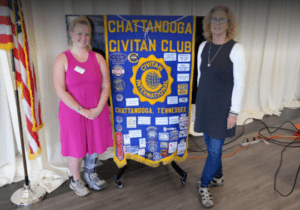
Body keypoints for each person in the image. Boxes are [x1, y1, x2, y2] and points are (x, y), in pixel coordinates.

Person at [53, 16, 113, 196]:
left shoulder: (98, 57)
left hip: (96, 110)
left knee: (94, 144)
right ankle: (76, 181)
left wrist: (98, 109)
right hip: (73, 112)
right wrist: (82, 110)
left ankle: (91, 174)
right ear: (72, 34)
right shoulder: (62, 59)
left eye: (87, 34)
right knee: (76, 147)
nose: (83, 37)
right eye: (79, 33)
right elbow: (60, 91)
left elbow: (106, 86)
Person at [194, 6, 246, 208]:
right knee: (210, 145)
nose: (217, 23)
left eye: (222, 20)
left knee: (214, 151)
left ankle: (204, 185)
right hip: (205, 105)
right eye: (214, 20)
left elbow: (240, 83)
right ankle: (219, 176)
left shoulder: (236, 49)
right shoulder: (203, 47)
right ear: (208, 23)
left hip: (223, 109)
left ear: (229, 24)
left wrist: (234, 111)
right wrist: (200, 103)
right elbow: (200, 77)